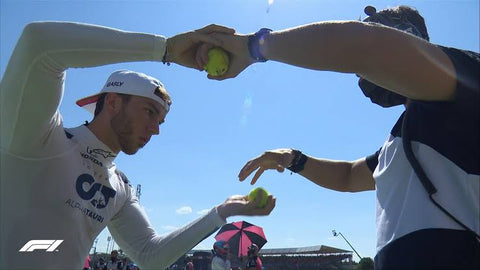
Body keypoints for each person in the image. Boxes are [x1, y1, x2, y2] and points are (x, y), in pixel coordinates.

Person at [198, 5, 480, 270]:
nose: (363, 74)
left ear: (409, 42)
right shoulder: (403, 135)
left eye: (383, 32)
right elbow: (348, 176)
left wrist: (254, 47)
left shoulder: (469, 82)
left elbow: (362, 47)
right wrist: (294, 159)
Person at [0, 21, 276, 270]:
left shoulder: (119, 187)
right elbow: (38, 42)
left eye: (162, 121)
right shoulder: (38, 136)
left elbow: (149, 256)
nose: (156, 129)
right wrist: (165, 49)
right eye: (149, 112)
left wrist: (222, 212)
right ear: (112, 102)